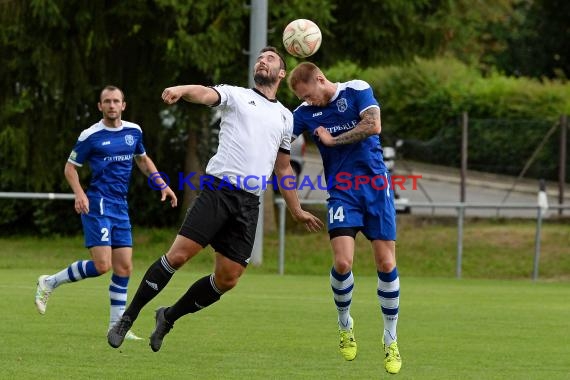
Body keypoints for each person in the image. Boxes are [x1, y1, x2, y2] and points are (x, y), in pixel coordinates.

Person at [107, 46, 323, 352]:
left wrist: (296, 209)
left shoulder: (285, 117)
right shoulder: (236, 96)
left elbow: (283, 166)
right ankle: (127, 318)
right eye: (260, 58)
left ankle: (168, 317)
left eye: (270, 58)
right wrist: (182, 89)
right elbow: (206, 94)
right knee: (178, 256)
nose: (262, 61)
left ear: (282, 73)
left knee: (228, 279)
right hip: (219, 191)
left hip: (249, 203)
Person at [35, 85, 178, 341]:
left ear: (123, 105)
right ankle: (50, 282)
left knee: (124, 267)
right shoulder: (90, 135)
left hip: (120, 206)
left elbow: (143, 160)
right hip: (97, 203)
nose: (112, 105)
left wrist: (163, 184)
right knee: (103, 265)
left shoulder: (134, 131)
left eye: (116, 101)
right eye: (107, 101)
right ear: (100, 106)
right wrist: (80, 193)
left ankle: (115, 326)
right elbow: (70, 168)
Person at [287, 62, 402, 374]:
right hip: (342, 191)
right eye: (303, 98)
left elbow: (373, 125)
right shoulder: (303, 113)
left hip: (377, 187)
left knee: (386, 264)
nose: (308, 101)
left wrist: (332, 141)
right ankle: (344, 324)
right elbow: (281, 144)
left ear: (320, 79)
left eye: (309, 94)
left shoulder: (357, 89)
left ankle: (390, 338)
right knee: (342, 263)